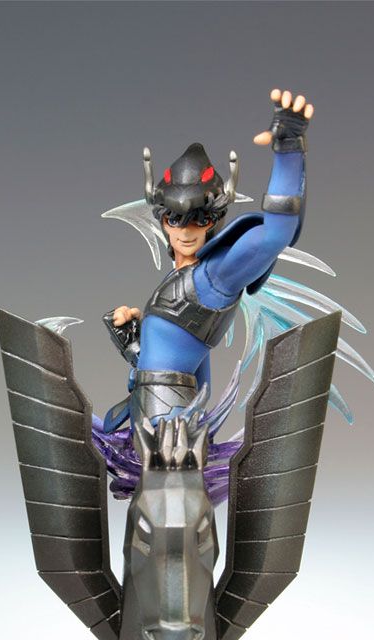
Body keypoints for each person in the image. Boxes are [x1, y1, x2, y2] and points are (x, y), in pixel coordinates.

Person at [104, 88, 314, 432]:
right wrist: (134, 340)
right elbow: (186, 367)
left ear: (214, 221)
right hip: (156, 413)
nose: (186, 230)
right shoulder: (181, 278)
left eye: (199, 219)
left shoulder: (215, 275)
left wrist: (289, 148)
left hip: (168, 420)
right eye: (175, 219)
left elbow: (276, 235)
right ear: (162, 221)